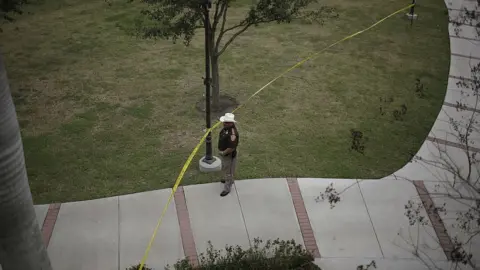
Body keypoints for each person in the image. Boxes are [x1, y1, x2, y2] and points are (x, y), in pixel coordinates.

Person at [217, 113, 239, 197]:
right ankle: (228, 180)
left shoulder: (232, 134)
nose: (223, 123)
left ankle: (227, 188)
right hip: (224, 154)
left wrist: (223, 153)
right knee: (225, 168)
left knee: (229, 172)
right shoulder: (226, 128)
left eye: (225, 122)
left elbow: (231, 148)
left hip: (228, 155)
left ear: (230, 123)